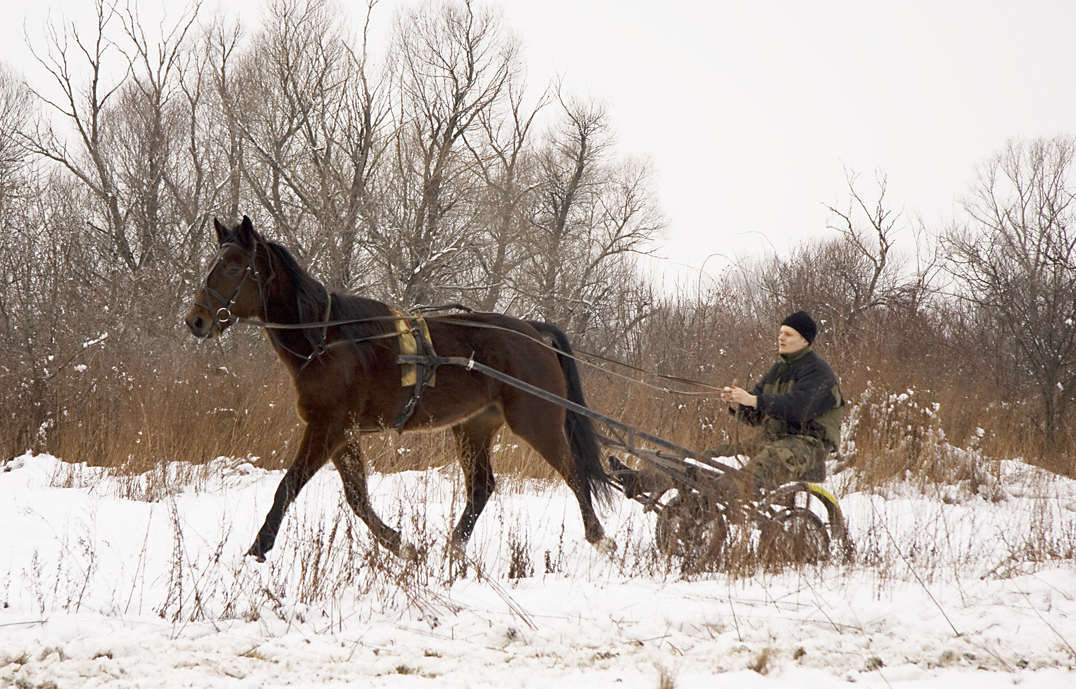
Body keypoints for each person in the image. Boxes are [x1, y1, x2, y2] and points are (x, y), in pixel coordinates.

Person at [612, 310, 844, 503]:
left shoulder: (818, 371)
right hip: (773, 439)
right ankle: (638, 481)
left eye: (788, 334)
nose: (781, 337)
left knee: (752, 470)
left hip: (809, 443)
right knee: (708, 458)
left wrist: (752, 400)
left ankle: (707, 502)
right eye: (780, 332)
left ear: (805, 340)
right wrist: (737, 404)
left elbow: (800, 407)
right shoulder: (777, 370)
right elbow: (754, 417)